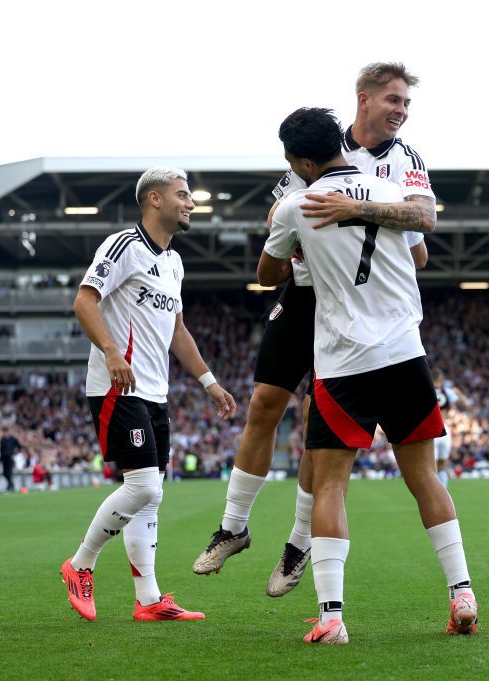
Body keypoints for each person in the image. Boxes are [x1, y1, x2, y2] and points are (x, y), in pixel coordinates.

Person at [192, 62, 435, 601]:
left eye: (406, 104)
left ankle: (299, 542)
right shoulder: (319, 146)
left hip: (359, 299)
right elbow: (277, 215)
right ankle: (234, 527)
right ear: (363, 100)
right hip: (307, 291)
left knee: (316, 428)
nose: (400, 111)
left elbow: (420, 236)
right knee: (262, 406)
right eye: (393, 100)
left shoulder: (406, 161)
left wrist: (358, 211)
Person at [260, 107, 477, 644]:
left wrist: (291, 238)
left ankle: (331, 617)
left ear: (305, 161)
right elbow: (421, 251)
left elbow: (267, 276)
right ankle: (462, 593)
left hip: (343, 361)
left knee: (331, 485)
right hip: (406, 351)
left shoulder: (296, 204)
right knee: (425, 477)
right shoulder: (389, 189)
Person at [61, 167, 237, 623]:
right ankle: (80, 565)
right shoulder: (124, 246)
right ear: (154, 199)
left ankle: (149, 600)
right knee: (143, 485)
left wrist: (209, 382)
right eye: (183, 195)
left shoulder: (173, 262)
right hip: (117, 387)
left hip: (154, 394)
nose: (191, 203)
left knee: (152, 495)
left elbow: (177, 330)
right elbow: (85, 301)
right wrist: (111, 351)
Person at [433, 369, 470, 488]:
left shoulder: (424, 390)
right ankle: (443, 493)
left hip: (430, 431)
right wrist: (458, 392)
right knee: (443, 465)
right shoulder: (447, 391)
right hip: (444, 430)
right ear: (441, 379)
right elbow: (465, 405)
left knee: (430, 467)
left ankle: (433, 496)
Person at [0, 426, 21, 492]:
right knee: (5, 473)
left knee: (9, 472)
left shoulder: (12, 439)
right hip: (4, 458)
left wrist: (15, 453)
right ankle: (10, 484)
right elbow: (1, 449)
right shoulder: (2, 439)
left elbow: (19, 446)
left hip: (10, 458)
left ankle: (10, 486)